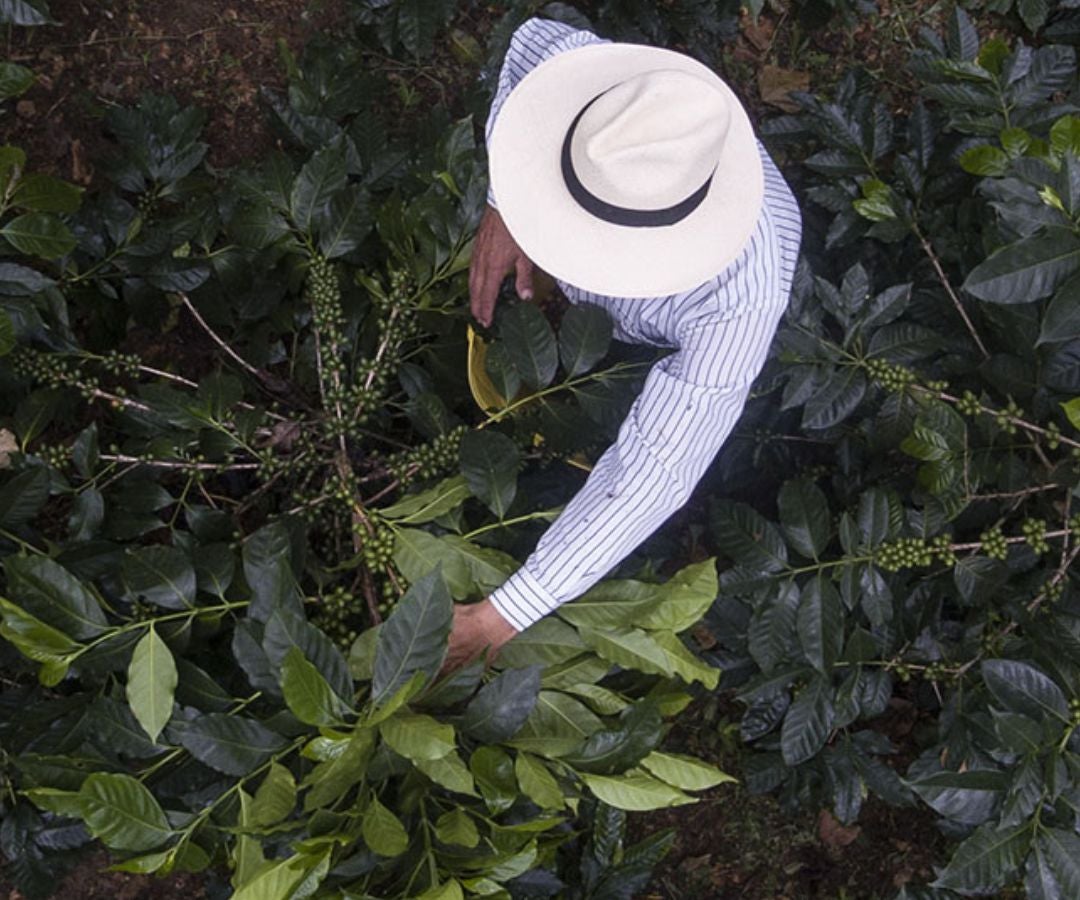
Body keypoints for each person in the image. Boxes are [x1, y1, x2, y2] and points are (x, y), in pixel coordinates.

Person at [444, 17, 802, 669]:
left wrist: (504, 613)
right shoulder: (624, 103)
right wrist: (505, 204)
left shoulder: (738, 303)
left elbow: (656, 469)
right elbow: (533, 40)